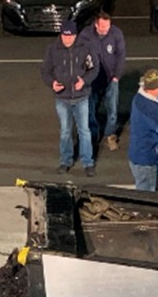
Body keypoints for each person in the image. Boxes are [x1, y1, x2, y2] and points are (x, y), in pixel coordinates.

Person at [41, 20, 99, 176]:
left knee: (84, 131)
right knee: (65, 131)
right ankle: (65, 161)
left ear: (75, 35)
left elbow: (94, 68)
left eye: (70, 36)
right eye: (64, 36)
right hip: (62, 98)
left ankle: (88, 162)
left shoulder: (85, 49)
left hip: (81, 98)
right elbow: (45, 71)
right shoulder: (52, 50)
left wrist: (84, 81)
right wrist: (52, 83)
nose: (67, 40)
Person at [78, 10, 125, 151]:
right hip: (92, 80)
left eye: (108, 26)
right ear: (96, 25)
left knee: (112, 110)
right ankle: (93, 136)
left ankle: (110, 135)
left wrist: (116, 76)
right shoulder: (85, 35)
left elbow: (121, 56)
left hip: (111, 79)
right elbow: (79, 56)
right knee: (90, 110)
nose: (106, 30)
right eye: (103, 27)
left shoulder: (116, 34)